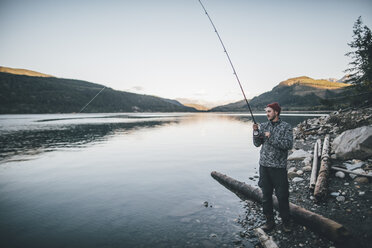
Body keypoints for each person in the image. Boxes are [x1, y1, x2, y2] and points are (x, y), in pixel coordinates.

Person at [252, 102, 293, 232]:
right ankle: (270, 222)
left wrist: (272, 136)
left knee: (282, 196)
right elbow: (257, 144)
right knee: (266, 196)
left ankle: (286, 222)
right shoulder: (263, 125)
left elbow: (288, 145)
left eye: (269, 111)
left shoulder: (286, 127)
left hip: (279, 167)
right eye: (266, 112)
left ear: (276, 112)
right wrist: (255, 132)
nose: (267, 114)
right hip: (264, 166)